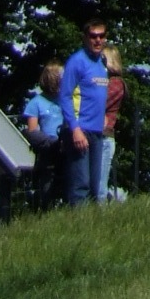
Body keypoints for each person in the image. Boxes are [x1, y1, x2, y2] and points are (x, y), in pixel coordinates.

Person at [61, 15, 113, 205]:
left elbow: (98, 93)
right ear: (85, 37)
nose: (97, 40)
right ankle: (77, 225)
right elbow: (65, 96)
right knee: (80, 185)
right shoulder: (77, 61)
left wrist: (105, 115)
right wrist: (75, 129)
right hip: (80, 130)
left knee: (95, 185)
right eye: (93, 36)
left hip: (97, 130)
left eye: (101, 36)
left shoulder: (102, 63)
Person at [20, 62, 65, 212]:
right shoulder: (36, 103)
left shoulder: (66, 100)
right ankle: (46, 209)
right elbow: (32, 130)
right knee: (47, 183)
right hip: (48, 148)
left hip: (65, 145)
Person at [98, 48, 126, 198]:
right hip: (94, 135)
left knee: (99, 185)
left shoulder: (116, 83)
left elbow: (100, 102)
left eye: (103, 59)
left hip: (104, 137)